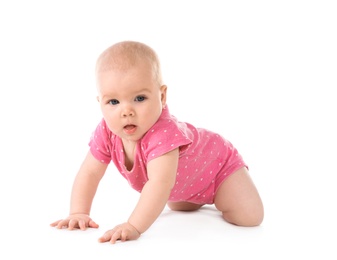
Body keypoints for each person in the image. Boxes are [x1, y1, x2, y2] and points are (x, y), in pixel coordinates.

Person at [50, 40, 264, 244]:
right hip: (185, 182)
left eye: (140, 98)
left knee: (249, 217)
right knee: (180, 206)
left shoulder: (162, 133)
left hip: (218, 166)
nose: (127, 111)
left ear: (162, 96)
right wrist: (78, 212)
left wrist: (134, 226)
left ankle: (219, 194)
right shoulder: (107, 131)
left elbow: (159, 184)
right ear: (100, 103)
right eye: (113, 102)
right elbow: (89, 173)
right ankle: (195, 196)